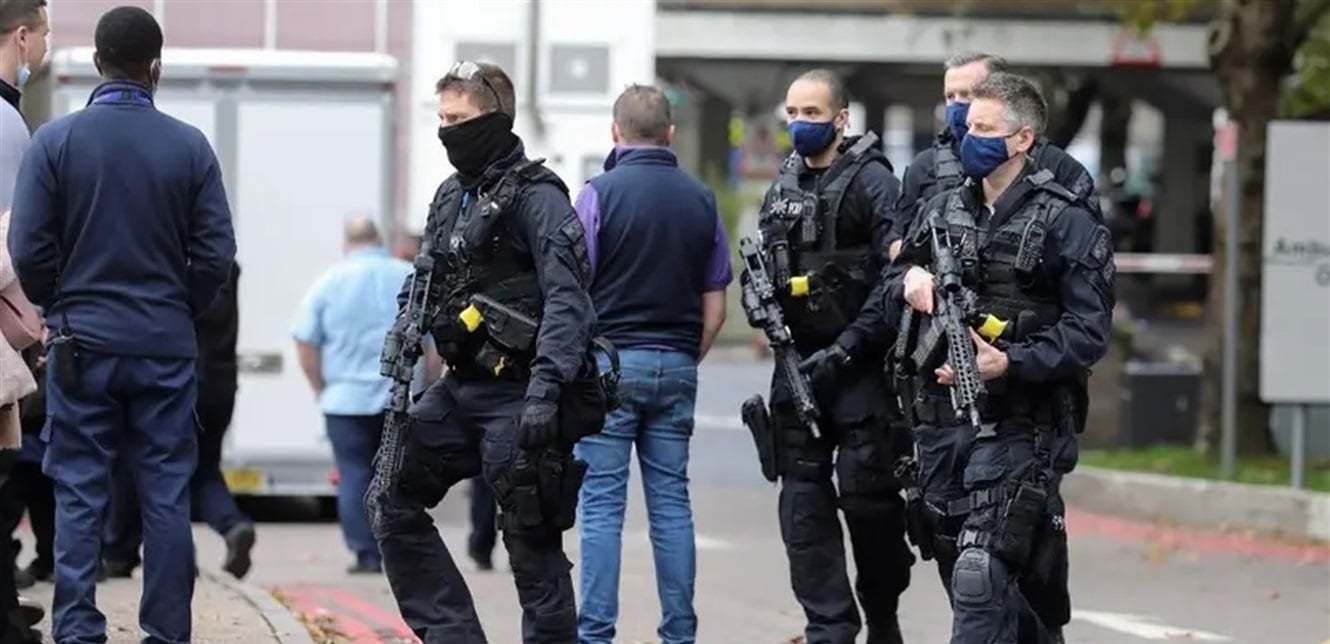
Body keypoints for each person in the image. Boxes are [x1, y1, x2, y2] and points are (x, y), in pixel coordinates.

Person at [6, 5, 236, 642]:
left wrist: (60, 307)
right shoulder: (190, 147)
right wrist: (178, 308)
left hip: (82, 345)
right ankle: (166, 631)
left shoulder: (55, 142)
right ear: (155, 68)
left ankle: (79, 629)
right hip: (164, 345)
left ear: (97, 63)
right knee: (164, 492)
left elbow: (28, 248)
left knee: (79, 489)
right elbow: (216, 254)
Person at [367, 60, 609, 644]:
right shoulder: (451, 197)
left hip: (522, 393)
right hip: (459, 388)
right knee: (389, 495)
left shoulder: (539, 198)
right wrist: (407, 326)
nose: (447, 131)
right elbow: (426, 276)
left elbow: (568, 301)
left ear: (496, 119)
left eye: (459, 119)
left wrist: (546, 393)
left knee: (530, 540)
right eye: (442, 119)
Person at [889, 72, 1113, 644]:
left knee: (979, 573)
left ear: (1022, 139)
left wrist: (1011, 361)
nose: (970, 139)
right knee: (983, 582)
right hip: (941, 424)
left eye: (985, 129)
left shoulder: (1066, 220)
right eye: (968, 127)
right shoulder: (941, 208)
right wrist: (910, 278)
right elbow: (894, 275)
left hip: (1020, 425)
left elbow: (1088, 331)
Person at [739, 68, 913, 644]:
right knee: (803, 510)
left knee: (870, 502)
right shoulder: (783, 184)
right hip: (797, 367)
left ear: (841, 119)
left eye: (812, 114)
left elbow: (895, 279)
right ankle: (829, 628)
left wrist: (849, 348)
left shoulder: (873, 182)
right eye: (792, 113)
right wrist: (756, 299)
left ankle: (882, 615)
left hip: (861, 369)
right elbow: (763, 266)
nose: (799, 124)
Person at [573, 84, 732, 644]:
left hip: (609, 367)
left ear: (615, 132)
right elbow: (716, 307)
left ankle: (595, 634)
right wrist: (687, 354)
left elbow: (572, 289)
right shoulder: (701, 199)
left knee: (601, 507)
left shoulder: (596, 195)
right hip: (677, 363)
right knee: (671, 504)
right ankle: (679, 634)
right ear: (671, 133)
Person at [102, 262, 257, 580]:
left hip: (182, 378)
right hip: (221, 382)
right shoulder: (227, 266)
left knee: (156, 468)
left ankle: (129, 551)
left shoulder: (169, 264)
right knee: (204, 468)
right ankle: (232, 525)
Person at [888, 52, 1099, 262]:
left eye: (967, 94)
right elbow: (896, 243)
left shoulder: (1059, 167)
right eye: (950, 96)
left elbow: (1089, 245)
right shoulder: (925, 167)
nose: (957, 105)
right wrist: (914, 271)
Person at [293, 215, 410, 574]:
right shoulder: (406, 275)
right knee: (393, 477)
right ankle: (397, 550)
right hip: (396, 396)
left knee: (354, 473)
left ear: (346, 243)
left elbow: (305, 340)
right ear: (380, 239)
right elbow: (433, 342)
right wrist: (426, 386)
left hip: (344, 400)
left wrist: (319, 385)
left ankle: (365, 553)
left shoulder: (330, 282)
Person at [0, 1, 50, 640]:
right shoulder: (8, 122)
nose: (43, 48)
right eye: (43, 35)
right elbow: (14, 238)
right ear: (21, 36)